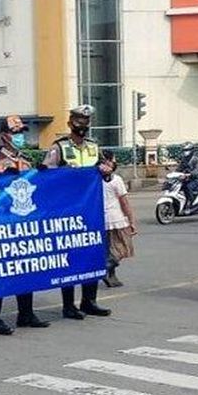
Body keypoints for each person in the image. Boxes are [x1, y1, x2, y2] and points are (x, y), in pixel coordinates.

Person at [42, 104, 112, 319]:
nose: (83, 124)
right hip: (68, 212)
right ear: (70, 123)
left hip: (92, 211)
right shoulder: (59, 147)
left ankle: (89, 301)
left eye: (86, 121)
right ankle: (68, 305)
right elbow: (45, 173)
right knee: (71, 258)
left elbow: (106, 172)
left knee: (92, 254)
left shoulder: (93, 146)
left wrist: (108, 169)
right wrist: (64, 174)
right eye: (79, 120)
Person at [0, 115, 50, 335]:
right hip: (0, 226)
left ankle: (26, 313)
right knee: (0, 273)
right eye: (16, 132)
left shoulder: (26, 160)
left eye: (22, 132)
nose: (20, 136)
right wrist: (1, 182)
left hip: (24, 224)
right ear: (5, 135)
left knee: (26, 269)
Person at [99, 150, 137, 288]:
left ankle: (112, 277)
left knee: (109, 249)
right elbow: (124, 202)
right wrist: (131, 220)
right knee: (123, 248)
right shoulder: (117, 180)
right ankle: (106, 267)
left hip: (101, 220)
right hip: (116, 219)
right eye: (113, 160)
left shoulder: (96, 179)